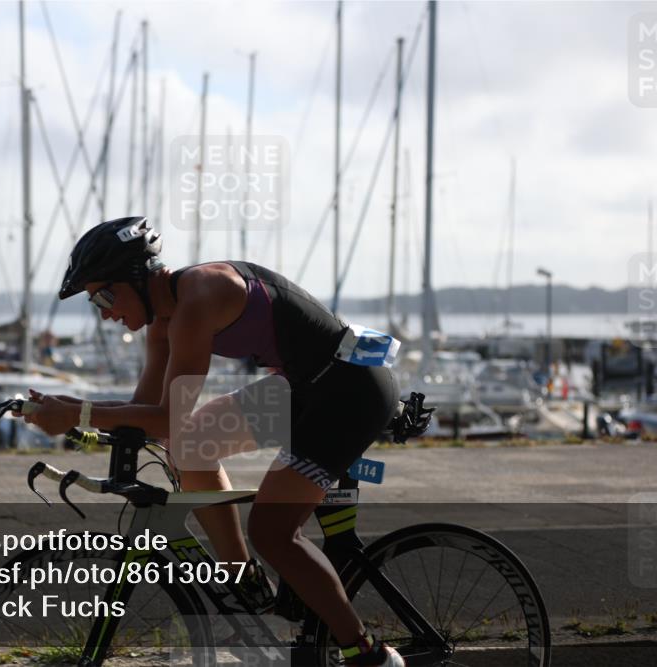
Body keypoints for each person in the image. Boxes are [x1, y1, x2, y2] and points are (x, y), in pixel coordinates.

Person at [22, 216, 403, 666]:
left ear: (136, 277)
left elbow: (166, 414)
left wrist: (80, 412)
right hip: (302, 385)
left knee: (272, 532)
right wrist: (74, 416)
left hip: (348, 391)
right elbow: (150, 415)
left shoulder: (199, 299)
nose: (104, 311)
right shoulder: (164, 323)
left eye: (104, 295)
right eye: (94, 303)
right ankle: (245, 582)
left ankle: (368, 654)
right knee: (190, 442)